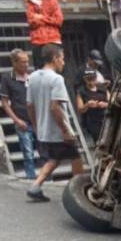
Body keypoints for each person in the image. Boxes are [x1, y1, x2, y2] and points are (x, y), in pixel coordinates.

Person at [26, 44, 83, 202]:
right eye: (62, 59)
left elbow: (30, 105)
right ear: (55, 58)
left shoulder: (33, 77)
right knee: (76, 158)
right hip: (59, 130)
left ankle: (35, 186)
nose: (63, 63)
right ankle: (79, 192)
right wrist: (65, 130)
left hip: (45, 130)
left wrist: (37, 126)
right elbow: (55, 107)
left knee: (54, 159)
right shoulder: (56, 79)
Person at [0, 49, 36, 180]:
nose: (26, 65)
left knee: (45, 153)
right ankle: (32, 180)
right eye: (23, 62)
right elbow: (4, 102)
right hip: (22, 121)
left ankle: (48, 181)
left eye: (27, 61)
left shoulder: (32, 77)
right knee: (28, 154)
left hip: (36, 121)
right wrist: (16, 120)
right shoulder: (7, 78)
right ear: (14, 63)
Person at [25, 0, 63, 70]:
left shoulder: (53, 2)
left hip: (53, 40)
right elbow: (31, 21)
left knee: (56, 68)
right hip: (38, 41)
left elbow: (59, 20)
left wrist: (41, 17)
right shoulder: (30, 3)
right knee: (40, 69)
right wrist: (49, 19)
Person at [76, 69, 109, 144]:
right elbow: (80, 109)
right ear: (85, 79)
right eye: (88, 79)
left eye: (93, 78)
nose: (91, 81)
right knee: (99, 142)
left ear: (96, 78)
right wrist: (88, 104)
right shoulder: (81, 91)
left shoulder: (102, 88)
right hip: (93, 122)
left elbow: (111, 103)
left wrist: (105, 104)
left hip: (106, 119)